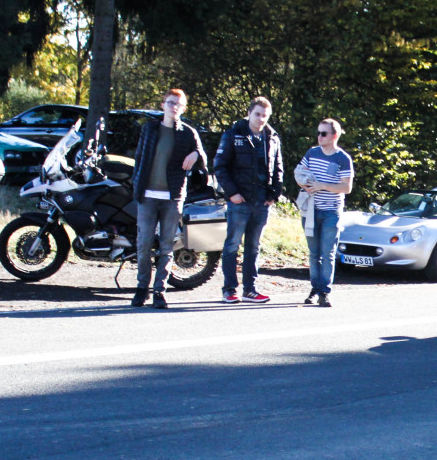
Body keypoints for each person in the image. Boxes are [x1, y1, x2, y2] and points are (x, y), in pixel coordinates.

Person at [129, 88, 207, 309]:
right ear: (163, 104)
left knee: (166, 246)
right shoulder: (150, 129)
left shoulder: (188, 133)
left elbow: (203, 158)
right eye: (171, 102)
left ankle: (159, 291)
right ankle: (141, 288)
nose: (174, 107)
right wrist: (137, 185)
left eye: (179, 104)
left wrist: (196, 154)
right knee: (143, 245)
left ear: (183, 108)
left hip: (172, 197)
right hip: (147, 195)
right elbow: (139, 158)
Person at [215, 97, 284, 304]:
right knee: (232, 245)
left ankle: (250, 289)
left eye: (265, 115)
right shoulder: (233, 134)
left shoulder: (272, 138)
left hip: (262, 202)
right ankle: (229, 289)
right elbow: (220, 166)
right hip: (239, 201)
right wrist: (232, 193)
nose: (261, 119)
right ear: (249, 113)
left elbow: (278, 168)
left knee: (253, 247)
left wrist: (274, 195)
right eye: (257, 114)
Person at [294, 118, 354, 307]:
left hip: (330, 212)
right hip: (310, 210)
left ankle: (324, 291)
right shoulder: (312, 153)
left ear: (334, 136)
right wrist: (305, 184)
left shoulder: (342, 158)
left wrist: (322, 186)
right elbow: (299, 173)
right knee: (313, 253)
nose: (319, 137)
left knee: (327, 253)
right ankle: (314, 288)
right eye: (318, 133)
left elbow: (347, 187)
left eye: (323, 133)